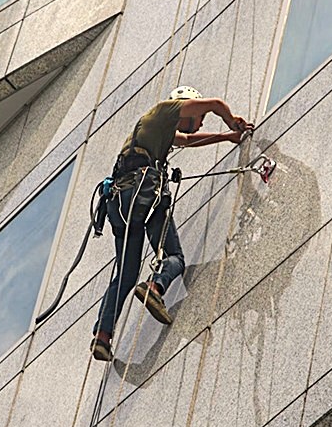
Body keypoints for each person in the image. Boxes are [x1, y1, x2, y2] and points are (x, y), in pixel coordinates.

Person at [91, 86, 253, 361]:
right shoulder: (163, 111)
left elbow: (187, 141)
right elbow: (214, 103)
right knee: (175, 256)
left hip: (120, 204)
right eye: (197, 116)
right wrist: (231, 120)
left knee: (126, 275)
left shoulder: (156, 132)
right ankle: (155, 287)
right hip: (144, 194)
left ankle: (102, 337)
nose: (200, 121)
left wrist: (226, 137)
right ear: (186, 106)